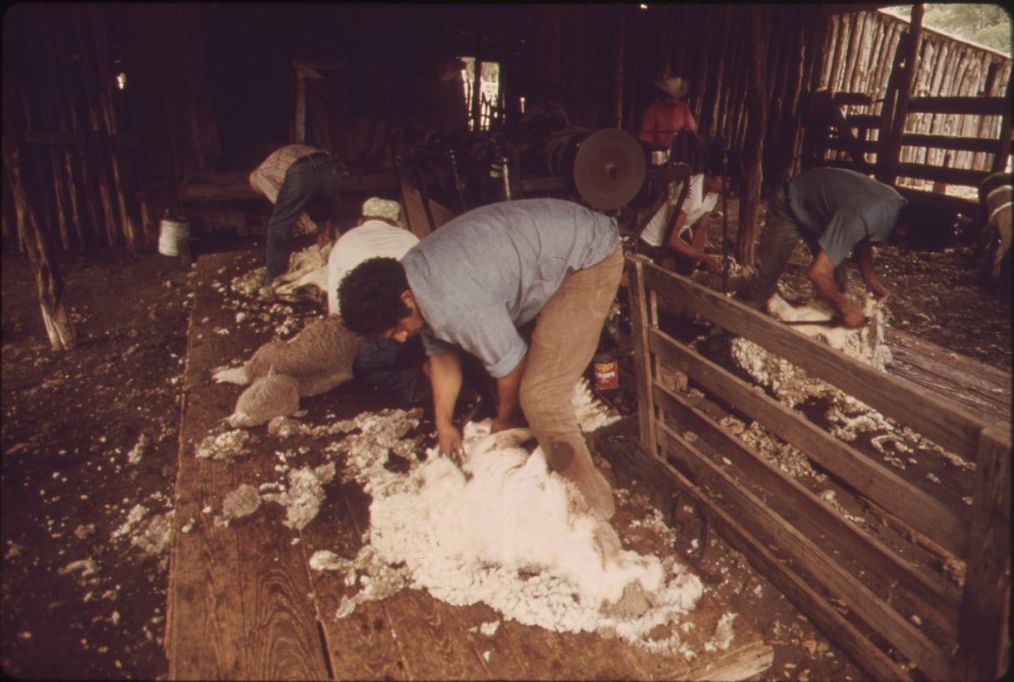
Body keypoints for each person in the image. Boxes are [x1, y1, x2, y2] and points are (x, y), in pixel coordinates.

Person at [337, 198, 623, 521]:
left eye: (397, 329)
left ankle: (595, 505)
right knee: (517, 384)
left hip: (589, 257)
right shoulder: (411, 281)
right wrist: (443, 423)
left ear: (405, 300)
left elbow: (512, 362)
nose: (402, 338)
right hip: (552, 247)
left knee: (541, 398)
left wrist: (504, 420)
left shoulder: (453, 305)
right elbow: (441, 356)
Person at [738, 167, 913, 328]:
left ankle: (816, 333)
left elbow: (862, 238)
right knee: (763, 282)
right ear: (903, 230)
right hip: (792, 202)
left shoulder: (895, 204)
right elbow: (817, 273)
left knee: (837, 285)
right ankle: (733, 328)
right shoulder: (863, 217)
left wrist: (871, 281)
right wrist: (846, 309)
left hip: (822, 213)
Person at [326, 197, 425, 406]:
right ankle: (436, 373)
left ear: (361, 221)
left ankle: (417, 386)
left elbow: (335, 310)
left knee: (362, 365)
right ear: (397, 222)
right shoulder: (410, 237)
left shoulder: (345, 241)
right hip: (420, 324)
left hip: (394, 329)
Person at [249, 144, 344, 286]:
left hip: (301, 168)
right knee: (333, 214)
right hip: (326, 162)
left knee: (278, 224)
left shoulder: (261, 176)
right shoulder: (276, 159)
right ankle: (342, 263)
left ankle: (273, 278)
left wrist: (309, 227)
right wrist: (321, 225)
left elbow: (283, 207)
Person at [639, 137, 726, 274]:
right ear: (712, 175)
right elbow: (671, 239)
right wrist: (704, 258)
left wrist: (698, 261)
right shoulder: (689, 189)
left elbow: (701, 229)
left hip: (672, 242)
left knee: (687, 271)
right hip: (652, 243)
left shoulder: (713, 194)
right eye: (724, 179)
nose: (727, 185)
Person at [638, 75, 698, 157]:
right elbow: (646, 138)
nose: (674, 100)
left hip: (680, 153)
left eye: (676, 97)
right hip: (658, 153)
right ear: (663, 95)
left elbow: (691, 129)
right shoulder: (652, 110)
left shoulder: (683, 108)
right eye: (670, 96)